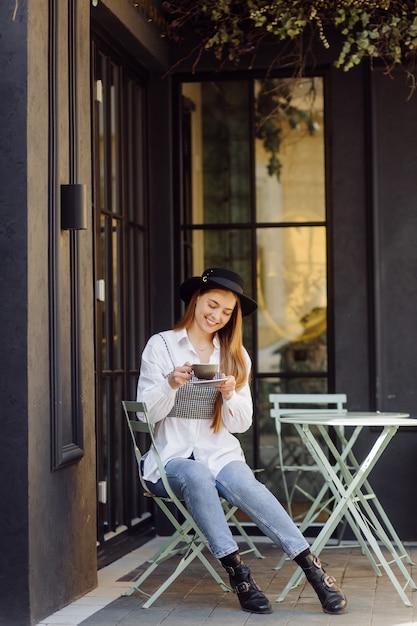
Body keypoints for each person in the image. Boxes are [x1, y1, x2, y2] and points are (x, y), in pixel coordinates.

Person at [136, 267, 347, 615]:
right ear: (195, 300)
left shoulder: (235, 355)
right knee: (195, 474)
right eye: (212, 305)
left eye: (226, 311)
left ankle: (313, 569)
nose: (216, 316)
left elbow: (243, 424)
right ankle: (240, 576)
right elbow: (145, 416)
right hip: (170, 461)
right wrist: (170, 384)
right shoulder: (161, 346)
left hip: (221, 453)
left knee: (246, 485)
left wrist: (231, 395)